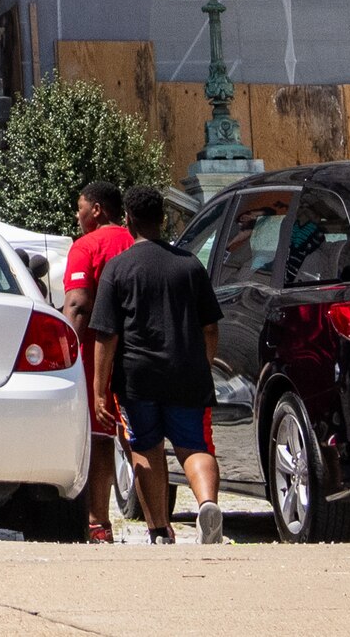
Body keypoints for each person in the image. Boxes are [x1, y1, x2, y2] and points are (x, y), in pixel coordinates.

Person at [86, 186, 223, 544]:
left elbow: (106, 336)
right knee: (194, 446)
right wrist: (202, 365)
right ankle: (207, 504)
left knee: (145, 448)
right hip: (186, 373)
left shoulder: (118, 269)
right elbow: (210, 328)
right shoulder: (190, 265)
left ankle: (159, 529)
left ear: (128, 220)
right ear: (163, 219)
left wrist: (100, 390)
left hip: (137, 377)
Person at [59, 181, 135, 541]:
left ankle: (97, 522)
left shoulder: (85, 247)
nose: (77, 215)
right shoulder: (138, 241)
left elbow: (77, 305)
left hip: (95, 354)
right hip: (140, 352)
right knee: (140, 437)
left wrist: (66, 350)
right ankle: (158, 524)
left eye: (80, 207)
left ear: (97, 210)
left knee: (99, 437)